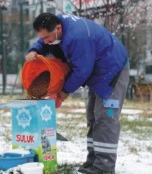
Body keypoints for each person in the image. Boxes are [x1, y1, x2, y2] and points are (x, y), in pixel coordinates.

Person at [26, 13, 129, 174]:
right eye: (42, 38)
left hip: (112, 68)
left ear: (58, 28)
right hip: (97, 70)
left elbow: (82, 70)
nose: (45, 42)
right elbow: (44, 40)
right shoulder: (56, 24)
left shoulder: (78, 37)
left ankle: (104, 167)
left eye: (47, 38)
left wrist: (65, 91)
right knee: (92, 117)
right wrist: (34, 49)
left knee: (105, 118)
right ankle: (93, 161)